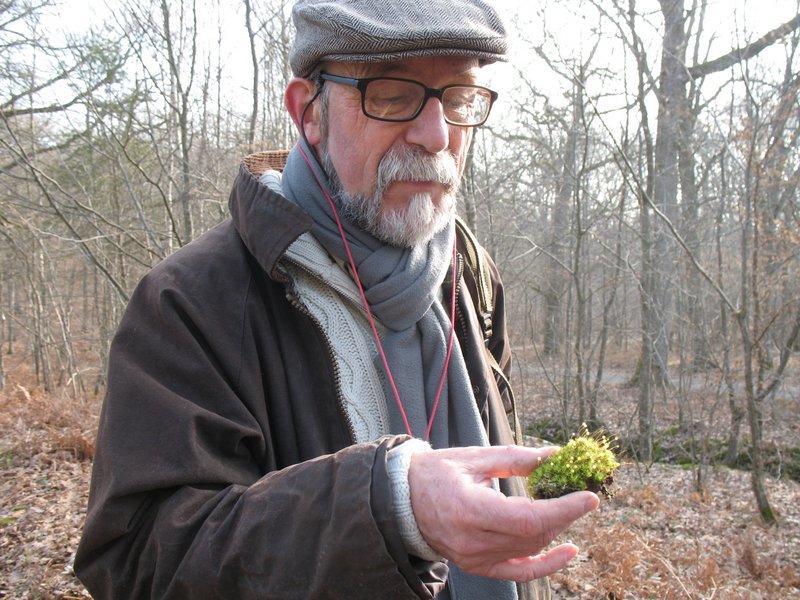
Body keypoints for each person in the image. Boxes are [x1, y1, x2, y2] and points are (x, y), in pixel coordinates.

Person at [74, 0, 600, 598]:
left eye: (458, 98)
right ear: (308, 114)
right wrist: (391, 507)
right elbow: (138, 560)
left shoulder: (468, 271)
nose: (436, 135)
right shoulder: (191, 304)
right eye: (393, 95)